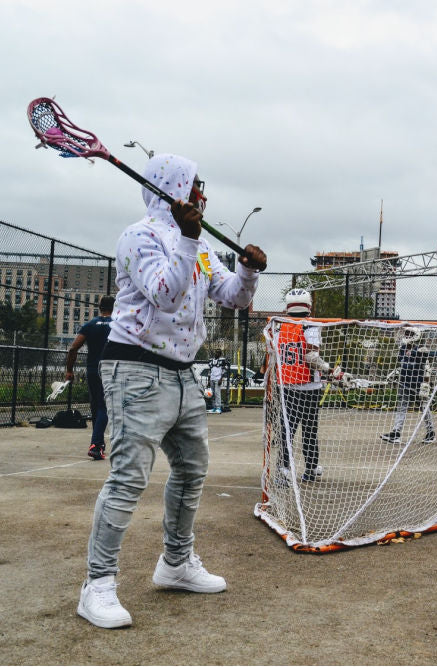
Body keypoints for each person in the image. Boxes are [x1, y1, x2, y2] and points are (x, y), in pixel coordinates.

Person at [76, 153, 267, 629]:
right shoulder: (137, 236)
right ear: (175, 188)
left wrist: (247, 271)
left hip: (183, 372)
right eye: (196, 185)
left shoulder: (197, 246)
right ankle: (97, 586)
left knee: (191, 470)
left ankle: (176, 564)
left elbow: (234, 298)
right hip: (135, 368)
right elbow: (165, 292)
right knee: (129, 477)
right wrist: (187, 238)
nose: (203, 194)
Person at [271, 288, 335, 483]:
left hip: (287, 386)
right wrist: (329, 370)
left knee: (287, 430)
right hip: (309, 386)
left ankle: (284, 469)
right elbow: (311, 356)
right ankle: (311, 468)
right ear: (308, 305)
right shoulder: (309, 326)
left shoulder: (279, 326)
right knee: (309, 429)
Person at [65, 295, 115, 460]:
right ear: (114, 307)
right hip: (109, 371)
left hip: (93, 370)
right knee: (103, 407)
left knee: (96, 406)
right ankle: (95, 445)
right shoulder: (117, 325)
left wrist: (69, 371)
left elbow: (73, 349)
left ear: (99, 307)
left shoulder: (90, 325)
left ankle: (98, 444)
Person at [381, 326, 436, 445]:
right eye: (405, 334)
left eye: (408, 334)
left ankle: (431, 433)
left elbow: (426, 367)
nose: (406, 336)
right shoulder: (403, 349)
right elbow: (402, 363)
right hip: (404, 383)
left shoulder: (421, 350)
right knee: (402, 407)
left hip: (417, 384)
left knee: (424, 408)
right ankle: (396, 433)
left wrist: (425, 384)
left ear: (415, 336)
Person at [207, 349, 228, 413]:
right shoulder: (211, 361)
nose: (216, 354)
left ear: (220, 354)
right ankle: (214, 407)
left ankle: (218, 407)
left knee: (217, 393)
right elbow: (209, 371)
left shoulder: (222, 361)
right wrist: (208, 381)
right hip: (212, 379)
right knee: (212, 394)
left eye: (218, 353)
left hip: (218, 379)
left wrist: (221, 379)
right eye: (215, 352)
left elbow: (224, 371)